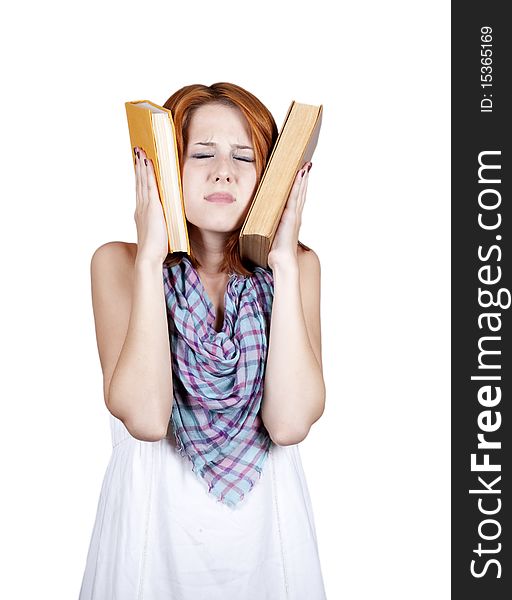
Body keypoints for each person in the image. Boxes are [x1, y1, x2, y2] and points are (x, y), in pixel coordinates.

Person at [78, 82, 327, 599]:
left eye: (244, 157)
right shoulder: (119, 263)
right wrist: (151, 259)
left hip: (266, 536)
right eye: (201, 154)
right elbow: (146, 418)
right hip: (151, 529)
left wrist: (280, 260)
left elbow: (289, 423)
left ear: (270, 176)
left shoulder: (297, 267)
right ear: (167, 167)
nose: (223, 172)